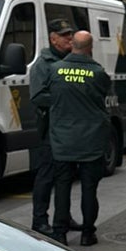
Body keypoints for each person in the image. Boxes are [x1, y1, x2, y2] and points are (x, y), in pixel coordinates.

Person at [42, 30, 110, 247]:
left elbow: (47, 96)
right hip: (91, 139)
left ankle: (60, 232)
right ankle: (87, 233)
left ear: (72, 45)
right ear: (90, 48)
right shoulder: (98, 72)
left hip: (63, 139)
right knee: (89, 188)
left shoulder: (55, 70)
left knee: (62, 187)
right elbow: (103, 95)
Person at [28, 18, 75, 234]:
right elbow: (38, 96)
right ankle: (40, 220)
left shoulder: (72, 61)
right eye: (65, 35)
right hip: (50, 128)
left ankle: (63, 216)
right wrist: (65, 99)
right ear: (53, 38)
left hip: (67, 128)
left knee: (65, 177)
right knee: (45, 176)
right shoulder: (43, 64)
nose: (69, 39)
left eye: (70, 35)